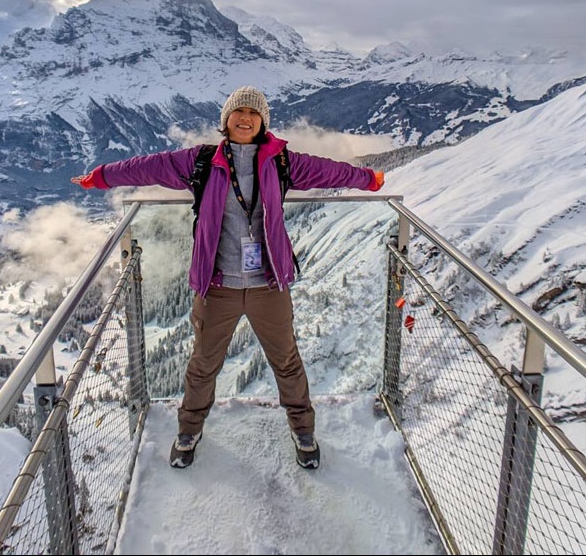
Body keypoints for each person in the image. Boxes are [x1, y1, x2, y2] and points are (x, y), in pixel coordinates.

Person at [73, 85, 384, 470]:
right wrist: (102, 176)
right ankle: (188, 431)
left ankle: (303, 430)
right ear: (226, 120)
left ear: (263, 122)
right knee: (203, 363)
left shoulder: (281, 161)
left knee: (286, 361)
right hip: (217, 285)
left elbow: (328, 170)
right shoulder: (201, 161)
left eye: (253, 113)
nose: (245, 118)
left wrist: (367, 179)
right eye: (238, 112)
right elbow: (149, 166)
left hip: (267, 285)